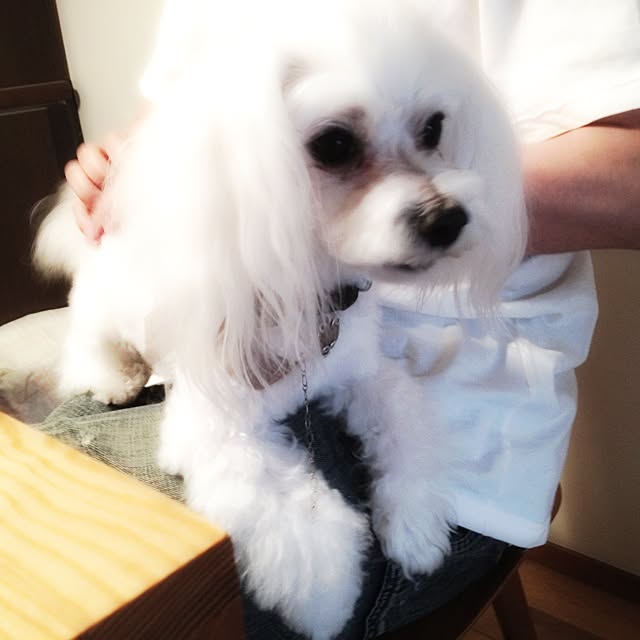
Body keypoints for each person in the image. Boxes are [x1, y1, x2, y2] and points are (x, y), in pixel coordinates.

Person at [57, 1, 640, 638]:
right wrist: (122, 171)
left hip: (462, 389)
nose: (429, 194)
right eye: (338, 146)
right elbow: (161, 129)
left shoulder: (357, 290)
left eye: (429, 133)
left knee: (100, 579)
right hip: (211, 327)